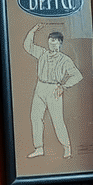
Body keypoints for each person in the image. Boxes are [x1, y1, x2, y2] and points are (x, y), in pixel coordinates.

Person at [23, 24, 82, 159]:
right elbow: (27, 46)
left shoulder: (65, 59)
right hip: (40, 87)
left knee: (57, 119)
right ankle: (39, 148)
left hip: (53, 89)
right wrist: (33, 30)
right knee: (35, 117)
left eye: (54, 40)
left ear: (60, 43)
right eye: (50, 40)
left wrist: (63, 86)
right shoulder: (42, 53)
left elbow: (77, 75)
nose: (51, 42)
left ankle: (67, 148)